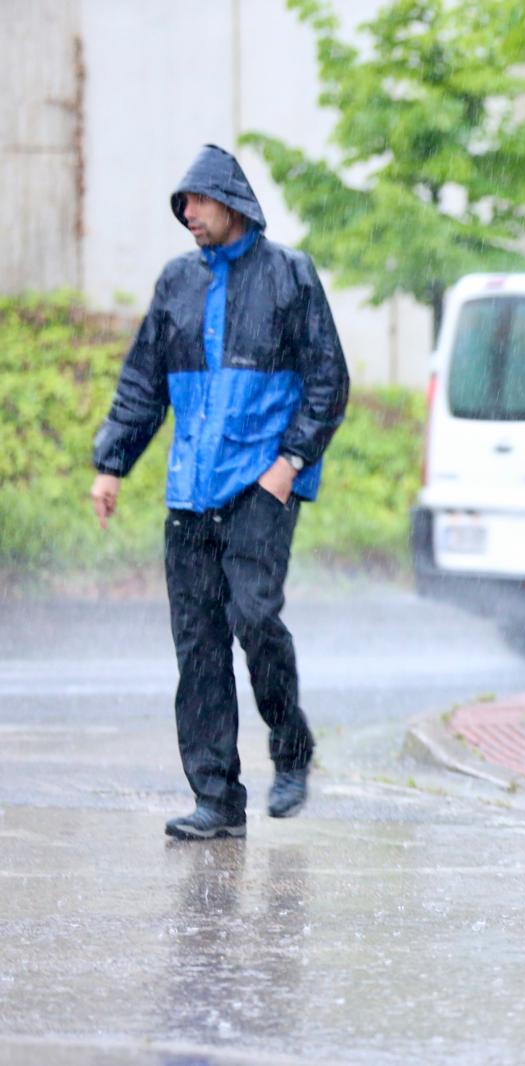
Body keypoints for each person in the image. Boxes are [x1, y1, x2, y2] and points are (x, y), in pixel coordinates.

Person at [89, 144, 349, 840]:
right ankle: (216, 799)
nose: (188, 217)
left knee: (256, 621)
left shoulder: (290, 275)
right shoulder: (177, 283)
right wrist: (112, 463)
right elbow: (143, 383)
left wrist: (289, 464)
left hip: (262, 488)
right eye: (182, 208)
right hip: (189, 497)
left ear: (230, 202)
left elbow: (329, 381)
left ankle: (291, 750)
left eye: (196, 203)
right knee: (198, 646)